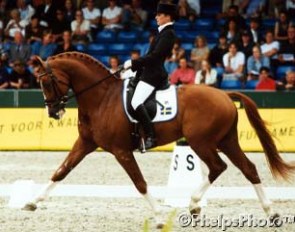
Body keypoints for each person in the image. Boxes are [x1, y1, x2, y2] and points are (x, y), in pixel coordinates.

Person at [123, 2, 177, 150]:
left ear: (167, 16)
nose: (156, 17)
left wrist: (134, 63)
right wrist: (136, 69)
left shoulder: (169, 34)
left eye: (159, 14)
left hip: (154, 75)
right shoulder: (162, 33)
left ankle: (151, 136)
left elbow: (155, 57)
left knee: (136, 102)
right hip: (148, 72)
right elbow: (149, 56)